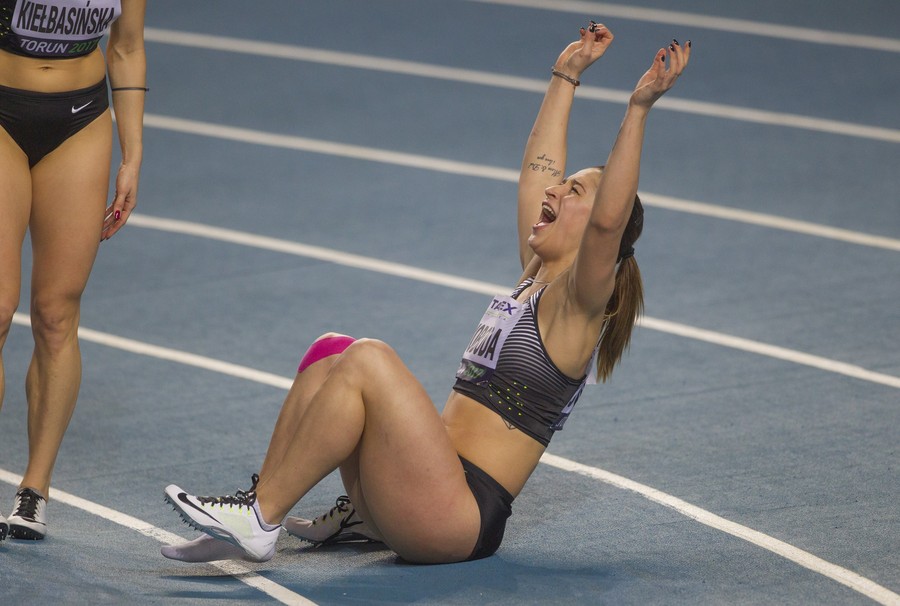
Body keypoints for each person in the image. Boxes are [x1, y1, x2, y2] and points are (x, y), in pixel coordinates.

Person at [163, 22, 690, 564]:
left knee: (370, 359)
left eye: (573, 191)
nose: (554, 189)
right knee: (331, 350)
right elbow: (538, 167)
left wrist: (639, 107)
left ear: (600, 228)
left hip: (457, 517)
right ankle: (274, 508)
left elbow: (608, 222)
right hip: (419, 482)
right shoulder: (536, 271)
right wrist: (566, 74)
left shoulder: (577, 306)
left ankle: (259, 518)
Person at [0, 0, 148, 542]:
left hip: (81, 118)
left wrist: (131, 154)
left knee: (56, 314)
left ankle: (34, 490)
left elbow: (127, 46)